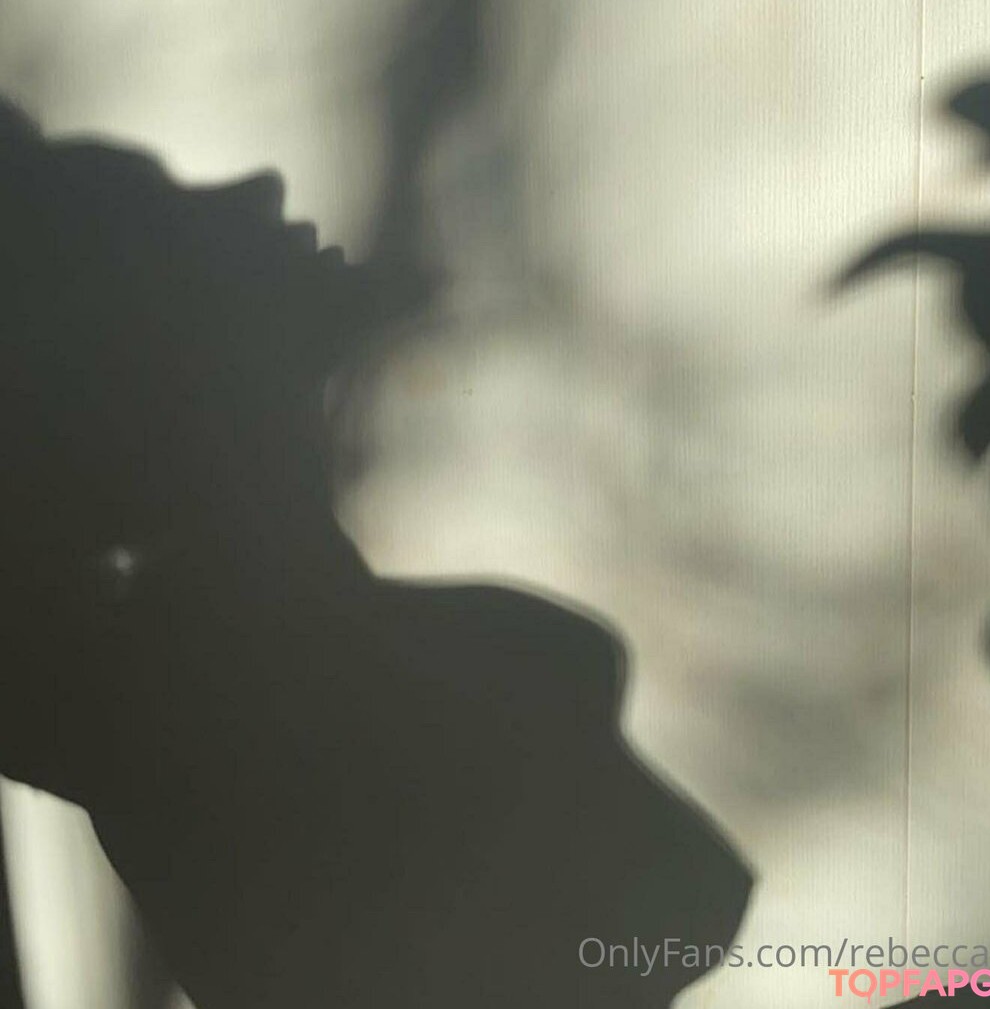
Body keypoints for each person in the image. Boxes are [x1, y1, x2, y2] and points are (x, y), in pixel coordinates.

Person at [0, 95, 749, 1008]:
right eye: (152, 208)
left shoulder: (235, 658)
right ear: (110, 363)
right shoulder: (192, 697)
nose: (258, 184)